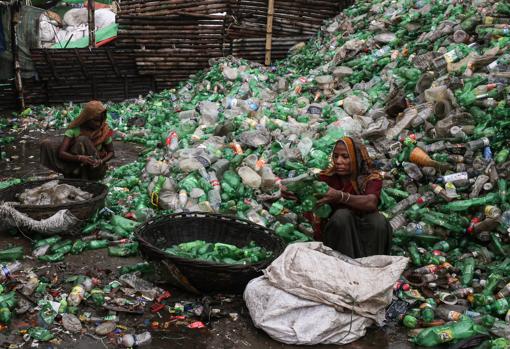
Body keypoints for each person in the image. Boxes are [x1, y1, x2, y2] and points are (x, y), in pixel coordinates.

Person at [287, 136, 392, 258]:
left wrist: (340, 196)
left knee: (378, 221)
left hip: (366, 229)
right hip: (341, 235)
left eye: (345, 157)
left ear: (356, 158)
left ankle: (373, 263)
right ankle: (343, 264)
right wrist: (293, 192)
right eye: (335, 156)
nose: (338, 161)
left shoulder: (370, 178)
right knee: (342, 216)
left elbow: (371, 202)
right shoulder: (326, 178)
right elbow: (308, 194)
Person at [40, 100, 114, 180]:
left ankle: (84, 175)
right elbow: (61, 153)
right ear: (87, 118)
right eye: (95, 121)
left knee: (82, 140)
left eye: (100, 121)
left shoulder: (103, 130)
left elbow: (111, 152)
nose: (98, 124)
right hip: (74, 168)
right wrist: (80, 158)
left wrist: (101, 161)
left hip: (94, 169)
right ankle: (72, 172)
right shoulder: (74, 130)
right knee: (47, 144)